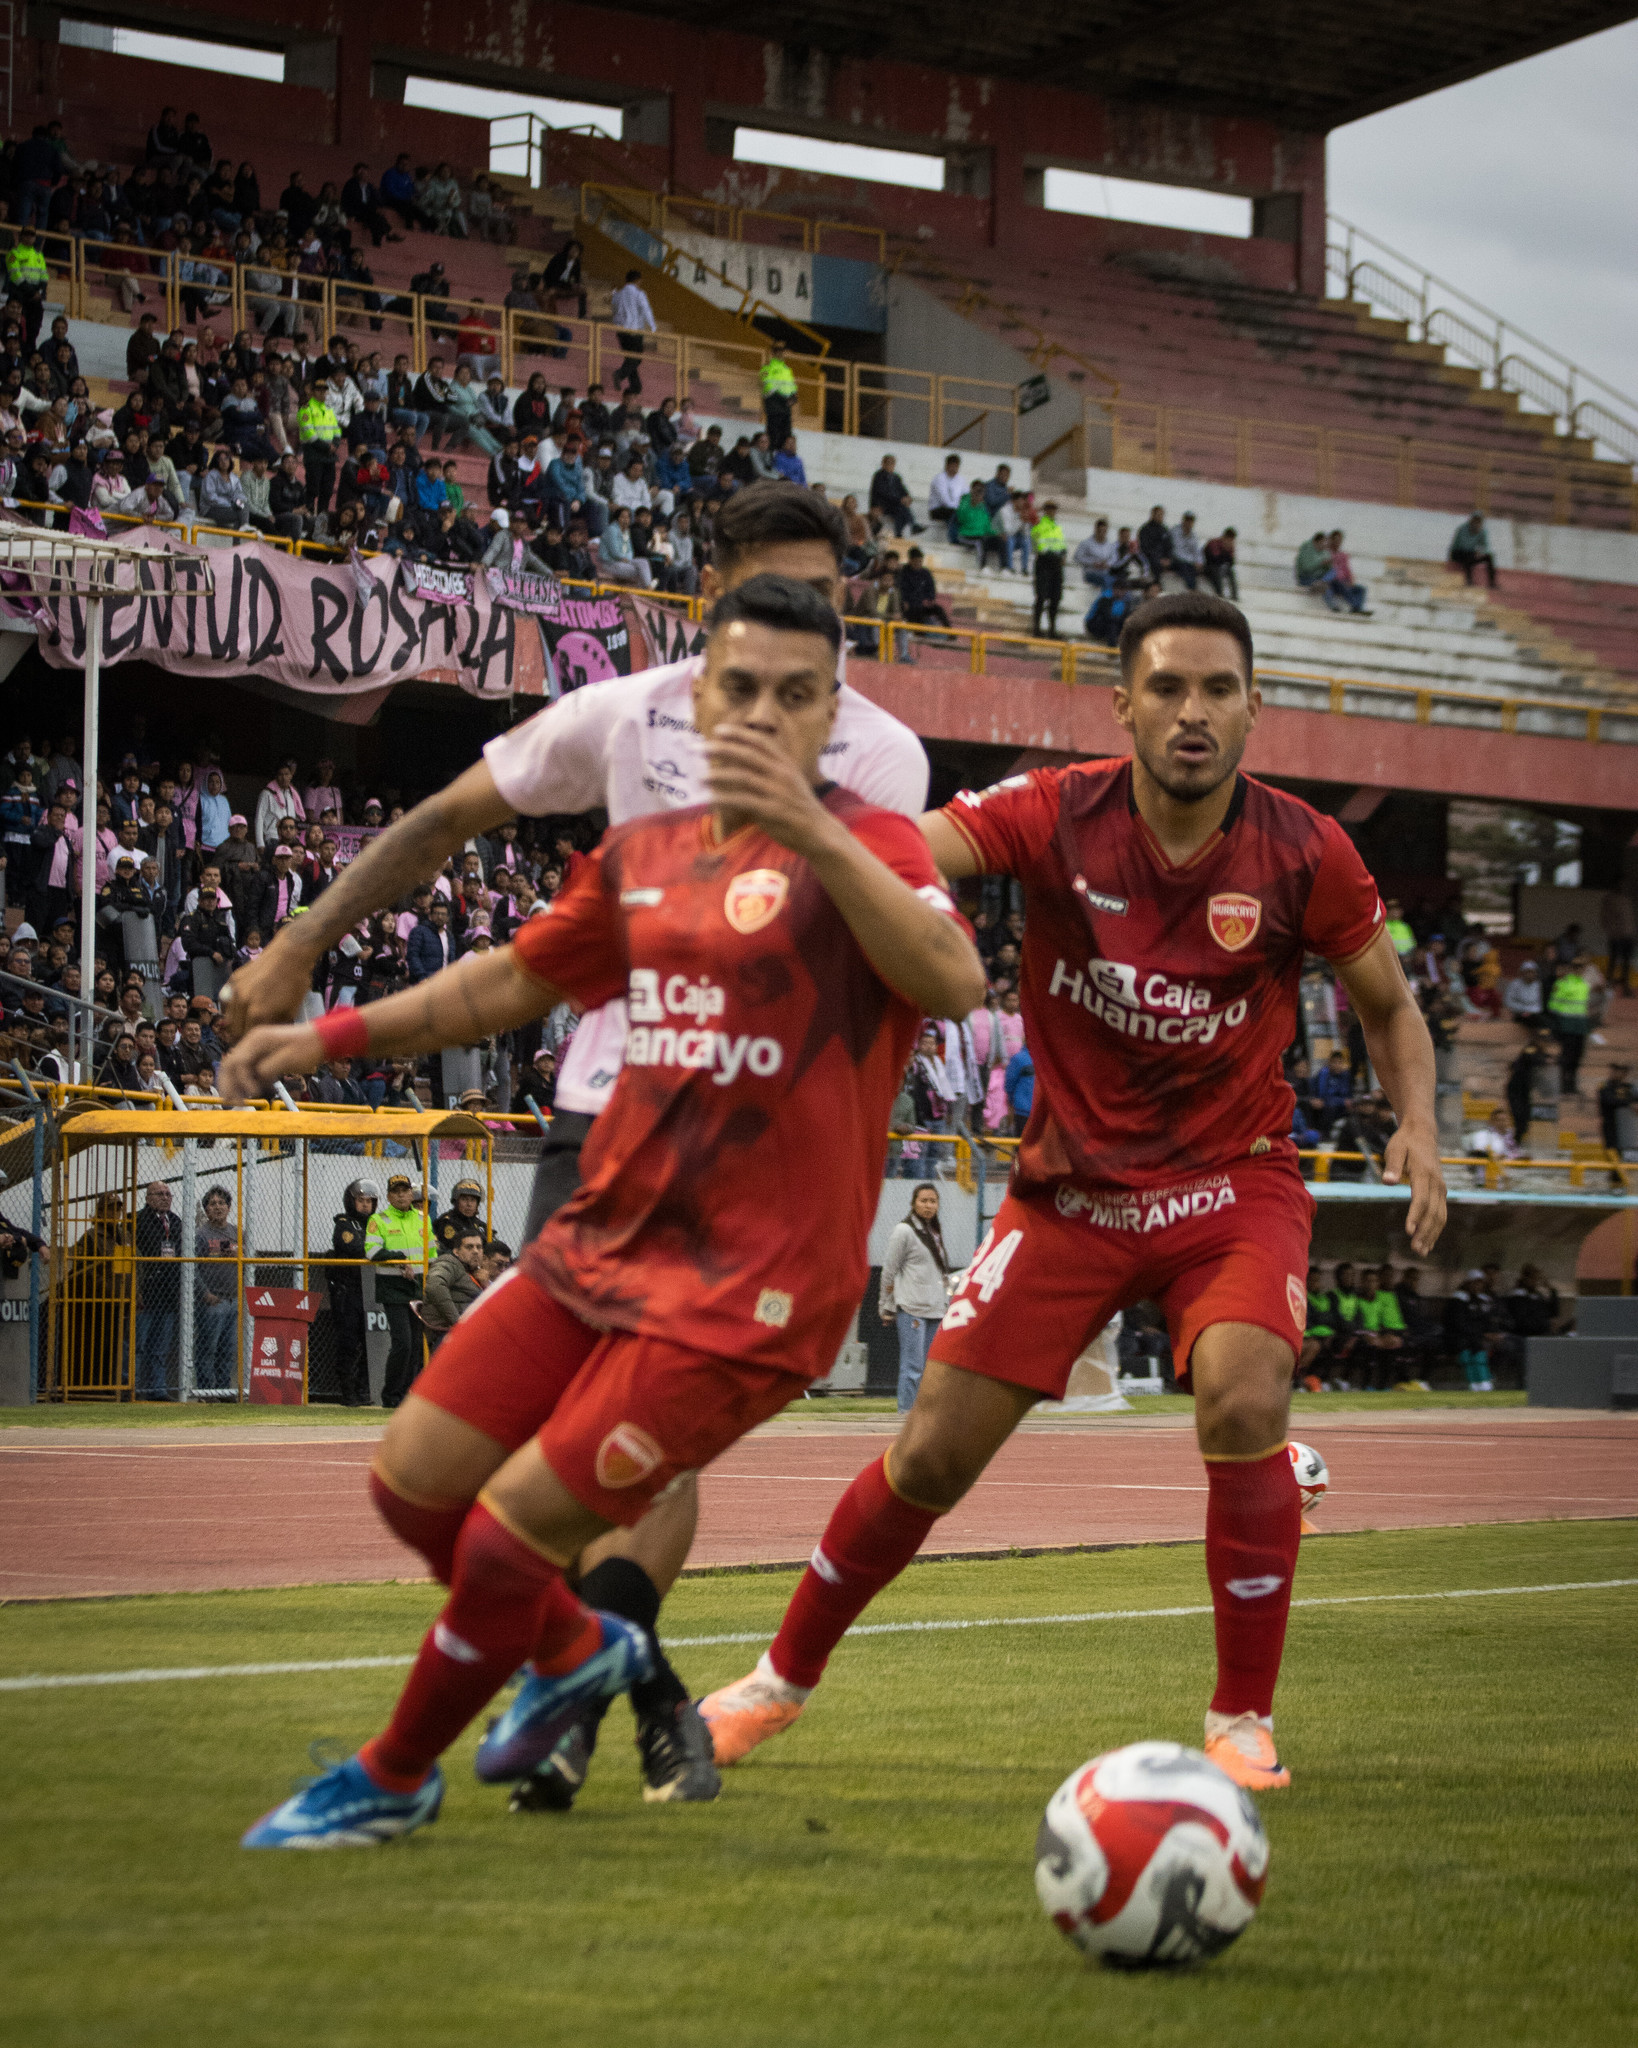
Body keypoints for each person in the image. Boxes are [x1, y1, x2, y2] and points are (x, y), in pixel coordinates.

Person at [224, 572, 984, 1849]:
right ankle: (582, 1655)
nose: (758, 715)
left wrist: (816, 831)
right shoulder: (643, 855)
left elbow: (954, 978)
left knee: (518, 1528)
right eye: (736, 688)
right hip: (603, 1239)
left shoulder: (878, 845)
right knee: (414, 1485)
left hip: (755, 1288)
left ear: (828, 714)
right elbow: (503, 985)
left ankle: (396, 1769)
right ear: (697, 695)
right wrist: (327, 1036)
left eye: (794, 697)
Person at [697, 589, 1446, 1794]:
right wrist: (808, 861)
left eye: (1215, 689)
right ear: (1123, 705)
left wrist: (1417, 1120)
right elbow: (919, 846)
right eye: (1167, 688)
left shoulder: (1309, 848)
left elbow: (1390, 1005)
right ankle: (776, 1682)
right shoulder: (1056, 811)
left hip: (1229, 1184)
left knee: (1243, 1397)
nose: (1191, 712)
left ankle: (1241, 1720)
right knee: (931, 1456)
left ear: (1255, 708)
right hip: (1070, 1194)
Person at [879, 1183, 950, 1413]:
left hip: (935, 1308)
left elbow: (939, 1272)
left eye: (933, 1201)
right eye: (924, 1201)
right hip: (911, 1307)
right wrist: (886, 1306)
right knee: (913, 1366)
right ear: (913, 1203)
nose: (929, 1206)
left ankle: (924, 1417)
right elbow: (889, 1270)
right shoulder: (904, 1231)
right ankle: (905, 1414)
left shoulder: (935, 1232)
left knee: (931, 1368)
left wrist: (946, 1303)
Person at [366, 1173, 434, 1409]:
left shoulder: (423, 1219)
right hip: (393, 1288)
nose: (402, 1195)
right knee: (403, 1343)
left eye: (405, 1191)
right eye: (396, 1191)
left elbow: (432, 1254)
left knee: (415, 1344)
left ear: (411, 1194)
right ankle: (391, 1396)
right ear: (388, 1196)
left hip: (418, 1287)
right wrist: (400, 1260)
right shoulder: (378, 1219)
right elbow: (372, 1252)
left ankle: (407, 1395)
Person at [327, 1178, 379, 1407]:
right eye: (361, 1200)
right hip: (349, 1293)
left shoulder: (378, 1223)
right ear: (351, 1201)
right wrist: (378, 1250)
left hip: (372, 1292)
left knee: (372, 1343)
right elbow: (354, 1248)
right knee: (348, 1342)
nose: (366, 1205)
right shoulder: (344, 1223)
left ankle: (365, 1389)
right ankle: (348, 1391)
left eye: (369, 1201)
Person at [134, 1180, 184, 1398]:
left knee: (160, 1347)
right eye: (159, 1194)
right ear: (148, 1198)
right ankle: (131, 1387)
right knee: (138, 1343)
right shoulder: (137, 1220)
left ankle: (158, 1388)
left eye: (168, 1194)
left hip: (168, 1292)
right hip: (147, 1289)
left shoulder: (175, 1222)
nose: (165, 1197)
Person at [194, 1185, 240, 1393]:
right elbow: (192, 1268)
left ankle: (223, 1390)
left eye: (222, 1203)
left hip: (233, 1299)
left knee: (228, 1349)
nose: (218, 1207)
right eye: (212, 1204)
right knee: (207, 1348)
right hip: (213, 1300)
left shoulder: (236, 1233)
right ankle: (206, 1390)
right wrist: (204, 1293)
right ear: (206, 1209)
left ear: (229, 1207)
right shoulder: (201, 1234)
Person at [422, 1227, 485, 1353]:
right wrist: (458, 1323)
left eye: (479, 1247)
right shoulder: (449, 1263)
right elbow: (435, 1286)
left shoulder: (474, 1271)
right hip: (449, 1337)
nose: (475, 1251)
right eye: (469, 1247)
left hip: (472, 1334)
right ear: (456, 1251)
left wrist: (485, 1284)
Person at [1547, 954, 1592, 1095]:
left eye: (1582, 967)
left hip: (1580, 1025)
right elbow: (1553, 1005)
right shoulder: (1563, 983)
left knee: (1578, 1056)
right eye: (1577, 967)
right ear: (1572, 968)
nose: (1580, 970)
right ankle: (1561, 1085)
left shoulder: (1584, 984)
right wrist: (1559, 1022)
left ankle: (1571, 1086)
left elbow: (1584, 1006)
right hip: (1566, 1024)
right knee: (1567, 1056)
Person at [609, 270, 656, 395]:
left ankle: (636, 387)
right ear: (638, 280)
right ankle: (620, 374)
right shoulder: (639, 293)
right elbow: (646, 309)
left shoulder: (617, 295)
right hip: (635, 331)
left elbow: (614, 311)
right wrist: (652, 326)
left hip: (621, 331)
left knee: (630, 359)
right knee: (636, 359)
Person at [1029, 501, 1067, 638]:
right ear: (1045, 510)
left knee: (1055, 598)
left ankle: (1052, 629)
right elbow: (1036, 544)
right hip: (1045, 562)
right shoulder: (1039, 525)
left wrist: (1063, 554)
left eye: (1054, 509)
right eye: (1050, 509)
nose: (1052, 512)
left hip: (1056, 563)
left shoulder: (1057, 527)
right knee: (1041, 596)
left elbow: (1062, 544)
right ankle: (1037, 629)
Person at [868, 454, 920, 538]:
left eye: (892, 463)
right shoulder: (879, 476)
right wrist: (900, 500)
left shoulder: (896, 477)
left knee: (901, 509)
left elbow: (903, 490)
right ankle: (911, 526)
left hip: (894, 504)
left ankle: (901, 532)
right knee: (901, 508)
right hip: (882, 505)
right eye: (888, 463)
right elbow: (884, 494)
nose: (890, 466)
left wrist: (907, 498)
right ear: (883, 464)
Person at [433, 1177, 487, 1256]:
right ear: (456, 1202)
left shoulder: (481, 1226)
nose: (469, 1204)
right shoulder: (446, 1222)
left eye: (472, 1200)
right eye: (464, 1199)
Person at [760, 348, 797, 449]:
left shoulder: (787, 370)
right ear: (773, 354)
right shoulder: (767, 368)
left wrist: (793, 397)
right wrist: (784, 399)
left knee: (786, 436)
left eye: (782, 353)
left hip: (785, 408)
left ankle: (782, 459)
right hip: (774, 407)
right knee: (773, 436)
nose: (780, 355)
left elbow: (792, 386)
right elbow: (768, 386)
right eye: (778, 352)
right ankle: (771, 457)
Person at [1600, 888, 1634, 996]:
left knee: (1626, 962)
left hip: (1628, 935)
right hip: (1616, 935)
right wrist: (1612, 931)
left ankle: (1625, 986)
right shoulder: (1609, 900)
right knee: (1614, 961)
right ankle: (1608, 985)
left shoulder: (1628, 899)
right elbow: (1605, 918)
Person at [1450, 513, 1497, 588]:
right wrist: (1475, 552)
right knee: (1467, 555)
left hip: (1471, 554)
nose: (1476, 523)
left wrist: (1481, 552)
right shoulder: (1463, 529)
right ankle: (1469, 580)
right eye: (1475, 520)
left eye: (1479, 521)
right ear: (1471, 520)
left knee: (1489, 557)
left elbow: (1486, 546)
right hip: (1458, 553)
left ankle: (1492, 583)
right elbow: (1463, 545)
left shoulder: (1482, 531)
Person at [1503, 958, 1543, 1028]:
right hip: (1518, 1012)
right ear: (1522, 973)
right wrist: (1522, 1009)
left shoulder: (1539, 985)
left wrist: (1531, 1011)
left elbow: (1540, 1003)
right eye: (1528, 972)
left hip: (1534, 1014)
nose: (1530, 974)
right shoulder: (1515, 984)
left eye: (1533, 972)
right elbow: (1508, 1001)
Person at [1203, 528, 1238, 600]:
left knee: (1230, 572)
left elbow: (1231, 562)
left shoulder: (1230, 546)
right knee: (1217, 571)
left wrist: (1228, 551)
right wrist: (1225, 550)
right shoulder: (1214, 543)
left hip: (1220, 566)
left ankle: (1235, 595)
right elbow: (1215, 559)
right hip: (1209, 566)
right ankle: (1219, 593)